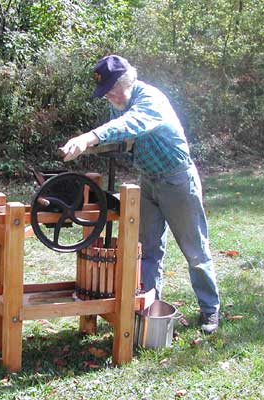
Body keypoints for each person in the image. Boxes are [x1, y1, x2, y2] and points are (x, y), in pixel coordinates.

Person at [60, 55, 220, 334]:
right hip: (148, 180)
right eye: (105, 91)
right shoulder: (118, 103)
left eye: (112, 88)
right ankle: (148, 308)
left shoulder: (150, 99)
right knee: (147, 250)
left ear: (128, 81)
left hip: (177, 179)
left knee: (195, 249)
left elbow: (132, 124)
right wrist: (88, 146)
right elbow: (121, 139)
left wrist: (90, 137)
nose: (109, 95)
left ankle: (210, 310)